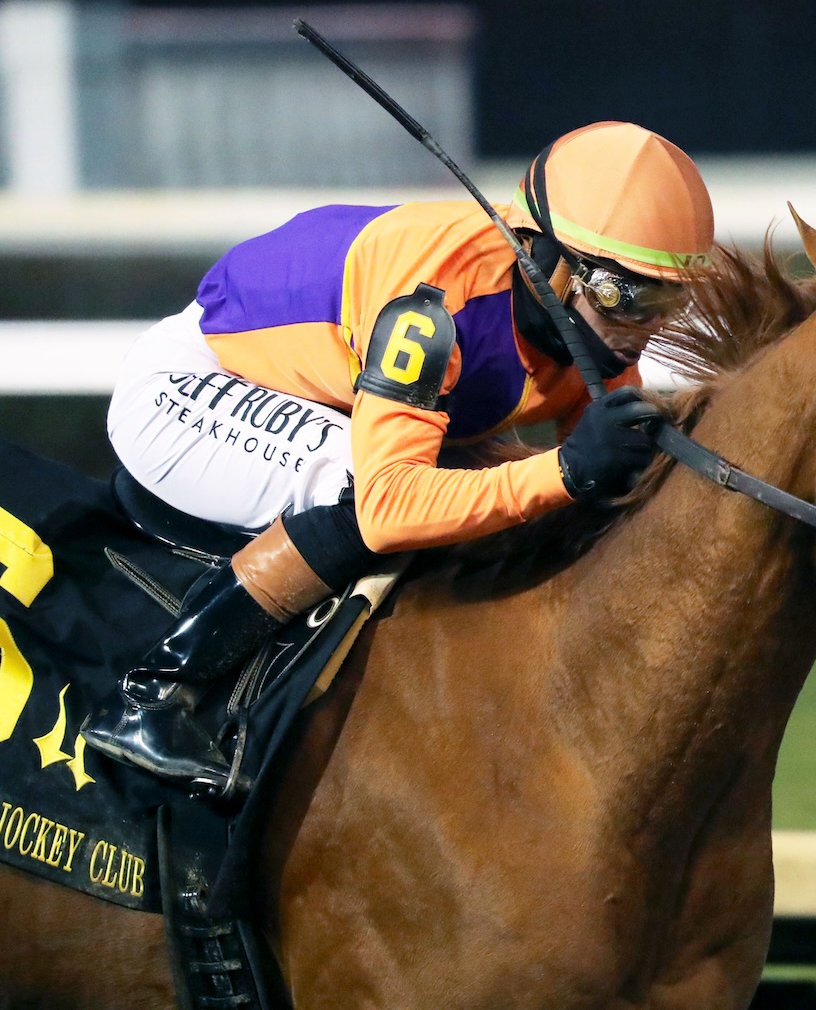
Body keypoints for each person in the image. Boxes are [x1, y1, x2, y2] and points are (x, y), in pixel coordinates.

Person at [80, 121, 716, 795]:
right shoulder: (429, 311)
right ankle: (156, 695)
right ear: (544, 260)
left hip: (328, 389)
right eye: (627, 296)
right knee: (365, 493)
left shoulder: (592, 320)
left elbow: (606, 487)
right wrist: (563, 470)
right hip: (197, 385)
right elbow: (389, 506)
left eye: (667, 302)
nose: (645, 329)